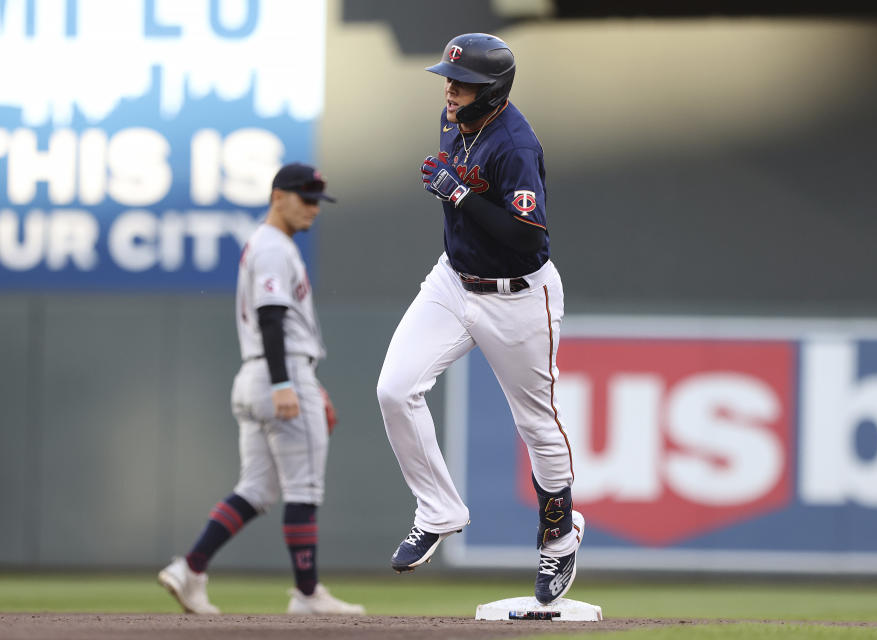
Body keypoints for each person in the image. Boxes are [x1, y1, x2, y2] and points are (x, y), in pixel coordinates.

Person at [376, 33, 584, 605]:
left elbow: (527, 234)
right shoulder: (454, 119)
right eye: (448, 77)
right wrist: (460, 194)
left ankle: (560, 538)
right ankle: (439, 510)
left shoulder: (514, 143)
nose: (449, 88)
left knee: (538, 424)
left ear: (491, 91)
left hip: (518, 295)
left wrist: (462, 197)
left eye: (461, 82)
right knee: (395, 389)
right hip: (454, 279)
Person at [158, 163, 365, 616]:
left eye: (317, 200)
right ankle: (308, 595)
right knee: (303, 489)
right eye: (305, 197)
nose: (313, 208)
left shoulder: (269, 244)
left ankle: (190, 569)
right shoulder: (273, 247)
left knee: (255, 489)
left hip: (256, 376)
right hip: (279, 374)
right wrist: (286, 384)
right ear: (278, 197)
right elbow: (272, 317)